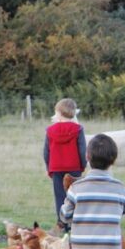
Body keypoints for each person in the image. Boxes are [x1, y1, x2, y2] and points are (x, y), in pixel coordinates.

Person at [44, 98, 86, 231]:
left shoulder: (50, 130)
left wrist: (48, 167)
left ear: (59, 112)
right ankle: (75, 221)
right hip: (74, 167)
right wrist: (82, 165)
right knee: (74, 195)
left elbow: (46, 152)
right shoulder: (78, 129)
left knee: (60, 195)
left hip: (56, 167)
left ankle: (62, 222)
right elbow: (82, 149)